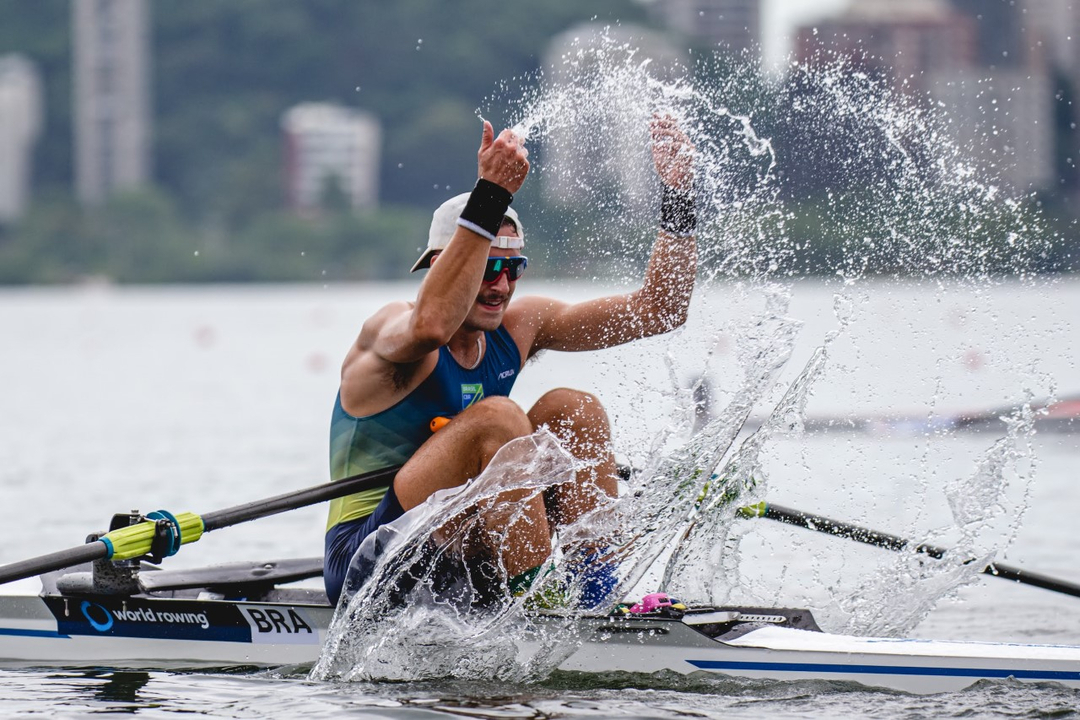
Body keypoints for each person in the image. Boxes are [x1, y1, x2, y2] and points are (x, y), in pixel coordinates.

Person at [324, 115, 697, 608]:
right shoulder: (391, 332)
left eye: (512, 268)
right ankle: (539, 612)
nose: (500, 285)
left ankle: (597, 595)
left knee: (573, 408)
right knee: (499, 418)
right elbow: (433, 324)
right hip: (368, 559)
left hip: (462, 545)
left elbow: (660, 310)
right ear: (444, 265)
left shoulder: (519, 327)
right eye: (488, 267)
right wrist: (491, 192)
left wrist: (681, 200)